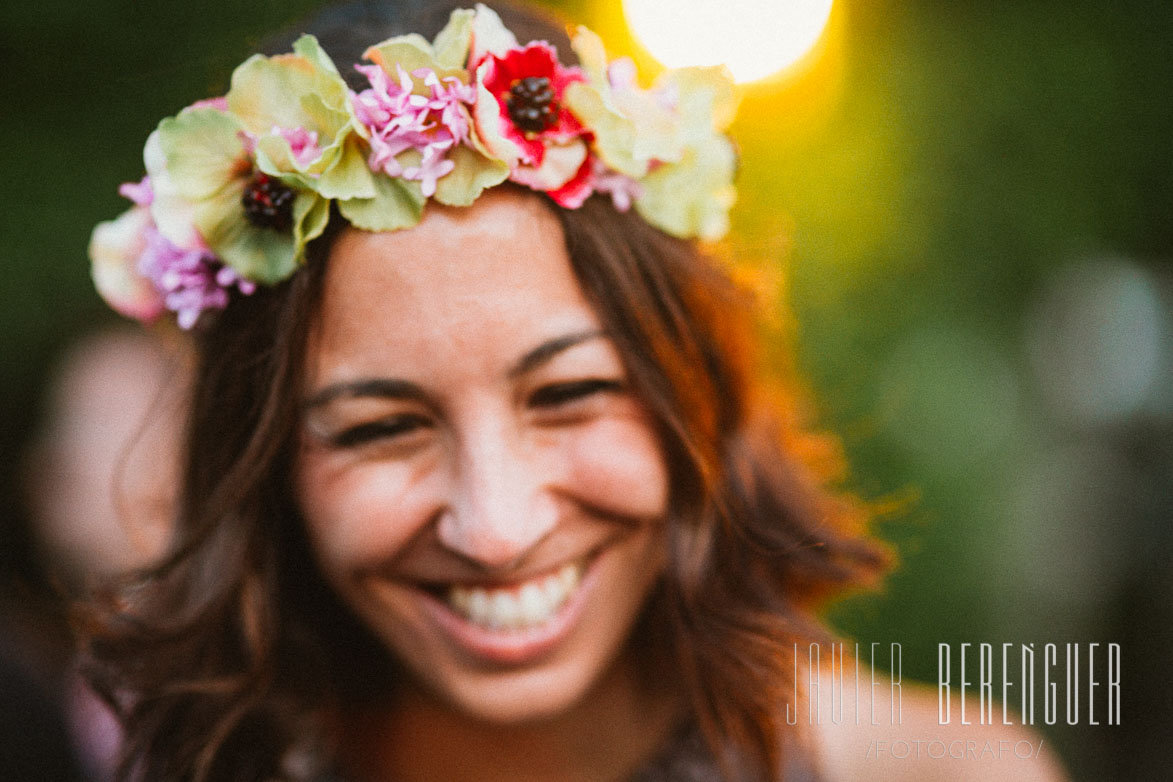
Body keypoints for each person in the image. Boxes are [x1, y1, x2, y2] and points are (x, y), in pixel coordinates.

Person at [80, 2, 1067, 780]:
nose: (498, 527)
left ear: (695, 383)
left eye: (568, 394)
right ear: (261, 465)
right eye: (382, 426)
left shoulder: (936, 767)